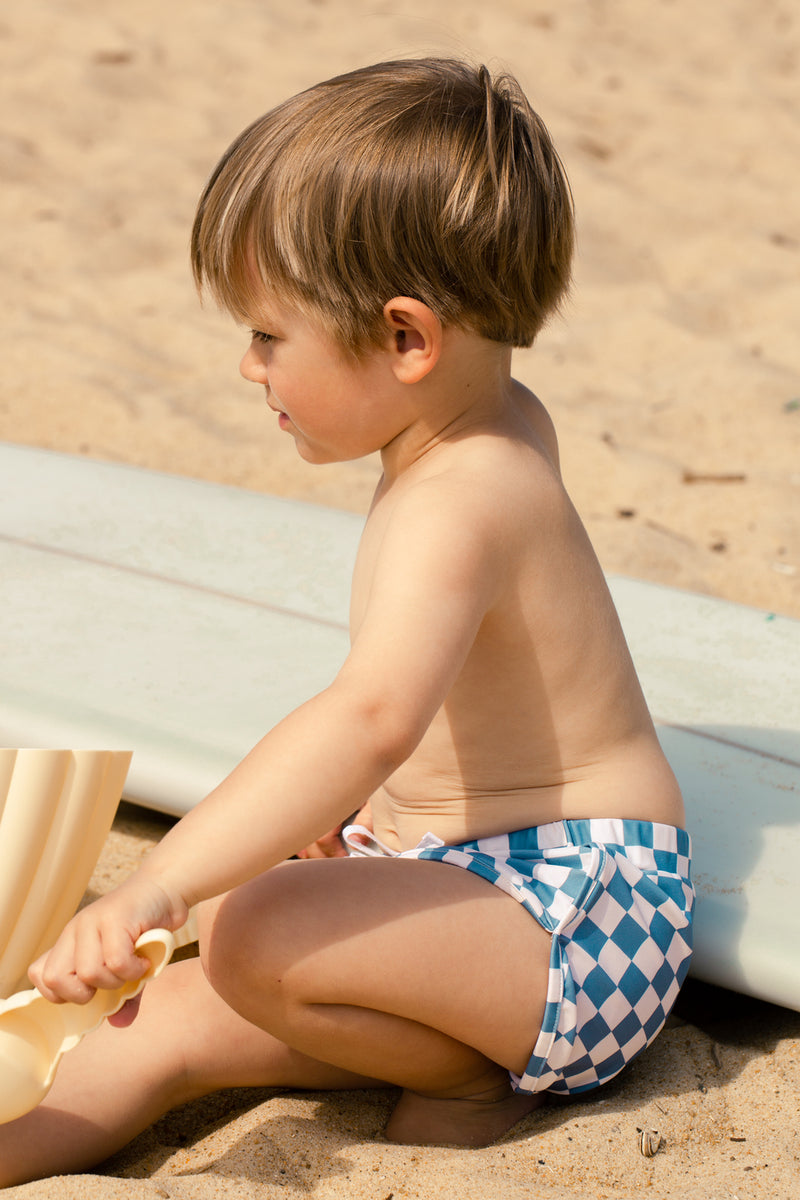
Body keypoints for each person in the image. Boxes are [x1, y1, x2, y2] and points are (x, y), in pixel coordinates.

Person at [0, 57, 693, 1186]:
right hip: (473, 891)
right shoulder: (485, 416)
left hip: (579, 929)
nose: (247, 365)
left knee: (244, 923)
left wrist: (155, 886)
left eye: (271, 335)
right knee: (154, 1025)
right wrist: (360, 828)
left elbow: (371, 713)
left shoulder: (462, 498)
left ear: (407, 340)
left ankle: (463, 1082)